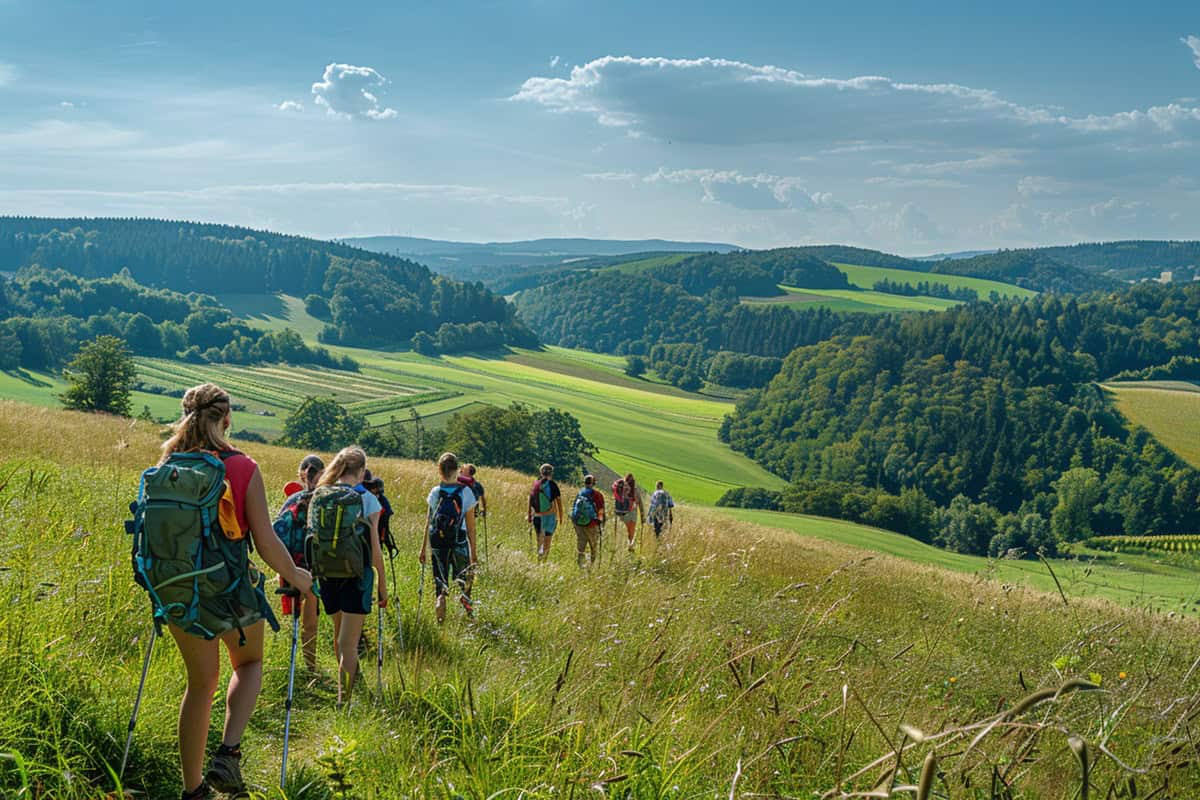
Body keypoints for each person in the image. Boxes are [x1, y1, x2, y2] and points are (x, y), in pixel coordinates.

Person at [158, 383, 313, 800]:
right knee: (249, 663)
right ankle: (228, 754)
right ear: (227, 418)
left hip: (176, 590)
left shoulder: (168, 464)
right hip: (229, 589)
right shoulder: (242, 467)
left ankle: (193, 791)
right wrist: (297, 577)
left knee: (199, 684)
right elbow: (265, 542)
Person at [312, 446, 387, 707]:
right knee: (349, 643)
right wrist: (383, 585)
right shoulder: (368, 500)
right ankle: (344, 702)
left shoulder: (322, 494)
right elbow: (375, 549)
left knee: (339, 636)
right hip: (357, 576)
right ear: (363, 471)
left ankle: (352, 688)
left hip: (326, 574)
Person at [276, 454, 324, 672]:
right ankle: (310, 667)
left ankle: (293, 665)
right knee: (311, 624)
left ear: (300, 475)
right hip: (318, 568)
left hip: (292, 567)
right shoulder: (327, 499)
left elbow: (276, 534)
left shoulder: (291, 501)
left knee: (297, 619)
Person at [420, 452, 478, 623]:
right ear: (457, 470)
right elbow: (471, 528)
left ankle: (441, 618)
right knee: (465, 581)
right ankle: (469, 616)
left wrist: (423, 548)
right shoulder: (466, 492)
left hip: (437, 542)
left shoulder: (435, 492)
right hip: (458, 540)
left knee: (440, 584)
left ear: (440, 471)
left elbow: (428, 522)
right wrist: (473, 553)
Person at [527, 463, 563, 561]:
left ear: (541, 472)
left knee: (540, 541)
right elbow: (559, 503)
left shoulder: (536, 484)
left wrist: (530, 515)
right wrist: (560, 518)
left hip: (537, 517)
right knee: (547, 541)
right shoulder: (553, 485)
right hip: (549, 518)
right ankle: (544, 562)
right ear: (551, 473)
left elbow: (530, 500)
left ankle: (539, 559)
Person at [571, 475, 606, 567]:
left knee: (581, 544)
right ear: (593, 483)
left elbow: (574, 507)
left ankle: (580, 564)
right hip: (592, 524)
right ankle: (592, 565)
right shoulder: (597, 494)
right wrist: (601, 523)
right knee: (593, 545)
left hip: (578, 523)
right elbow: (601, 510)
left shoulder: (580, 493)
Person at [613, 473, 645, 552]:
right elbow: (640, 503)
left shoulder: (620, 489)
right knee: (631, 531)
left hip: (622, 513)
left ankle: (623, 546)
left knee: (625, 530)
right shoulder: (635, 490)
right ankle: (630, 545)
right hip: (632, 513)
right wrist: (642, 515)